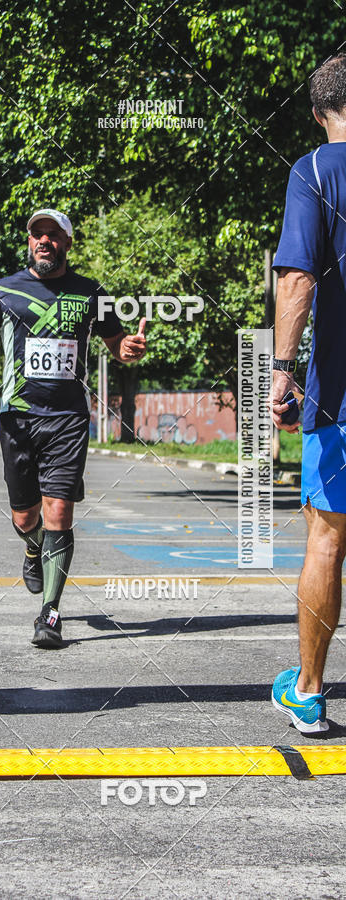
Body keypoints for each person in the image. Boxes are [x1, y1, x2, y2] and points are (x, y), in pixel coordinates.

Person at [0, 208, 146, 648]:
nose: (44, 241)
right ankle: (33, 548)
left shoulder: (90, 293)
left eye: (53, 235)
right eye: (37, 235)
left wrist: (128, 349)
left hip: (68, 419)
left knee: (59, 513)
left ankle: (50, 614)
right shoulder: (3, 290)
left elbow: (116, 343)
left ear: (68, 243)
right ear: (29, 242)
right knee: (25, 517)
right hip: (18, 418)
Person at [271, 53, 346, 732]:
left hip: (342, 398)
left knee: (327, 539)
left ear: (320, 110)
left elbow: (297, 281)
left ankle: (311, 691)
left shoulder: (316, 170)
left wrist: (282, 371)